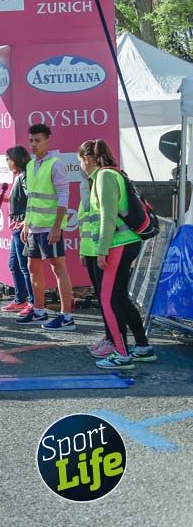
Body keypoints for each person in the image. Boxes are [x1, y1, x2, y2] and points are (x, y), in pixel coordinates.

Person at [77, 140, 157, 368]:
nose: (80, 166)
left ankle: (121, 353)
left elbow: (107, 216)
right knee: (119, 296)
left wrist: (101, 251)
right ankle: (142, 346)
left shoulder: (104, 177)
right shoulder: (111, 174)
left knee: (108, 299)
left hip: (119, 244)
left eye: (80, 161)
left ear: (87, 158)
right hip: (124, 242)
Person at [16, 124, 76, 330]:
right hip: (33, 227)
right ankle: (39, 311)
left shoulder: (55, 164)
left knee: (58, 268)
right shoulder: (31, 166)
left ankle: (67, 316)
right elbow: (32, 199)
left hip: (50, 227)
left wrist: (57, 226)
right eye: (31, 140)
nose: (33, 144)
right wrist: (26, 223)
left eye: (38, 140)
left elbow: (63, 196)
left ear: (47, 141)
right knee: (33, 268)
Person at [0, 146, 36, 314]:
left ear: (15, 159)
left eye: (8, 159)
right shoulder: (19, 176)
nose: (7, 163)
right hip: (16, 225)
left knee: (24, 266)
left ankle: (32, 302)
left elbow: (31, 199)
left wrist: (25, 223)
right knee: (14, 264)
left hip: (21, 226)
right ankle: (20, 298)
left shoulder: (25, 176)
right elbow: (21, 198)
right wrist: (8, 199)